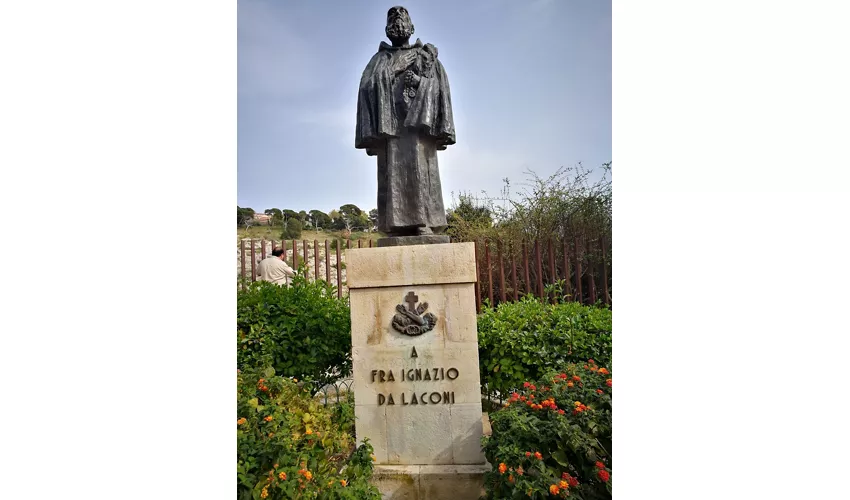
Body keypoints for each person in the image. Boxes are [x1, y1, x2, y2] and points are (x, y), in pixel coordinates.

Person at [355, 6, 456, 238]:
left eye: (403, 16)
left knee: (422, 172)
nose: (398, 18)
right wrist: (394, 68)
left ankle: (425, 222)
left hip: (419, 130)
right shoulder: (379, 59)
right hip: (392, 130)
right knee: (392, 175)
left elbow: (441, 91)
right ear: (387, 28)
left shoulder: (426, 56)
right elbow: (366, 89)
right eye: (392, 17)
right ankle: (395, 225)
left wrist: (421, 82)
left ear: (411, 25)